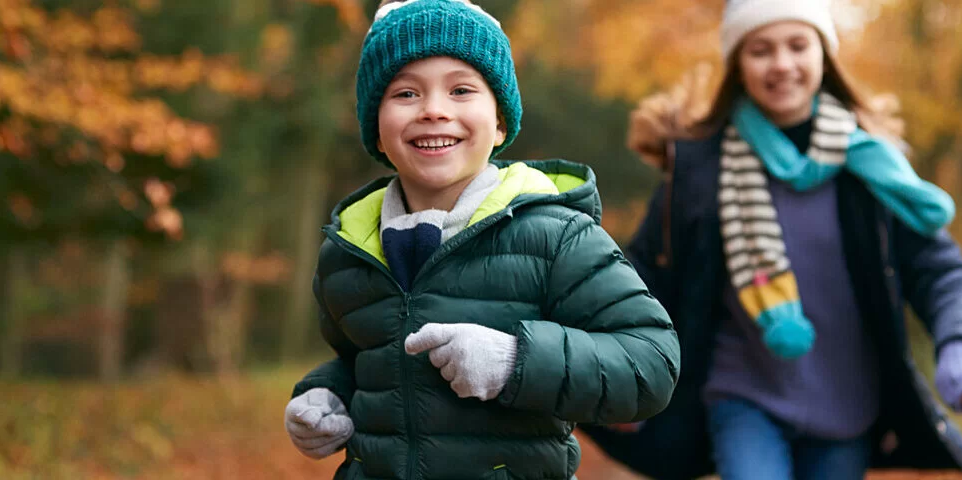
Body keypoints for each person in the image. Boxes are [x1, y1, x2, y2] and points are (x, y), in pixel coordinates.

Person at [580, 1, 962, 479]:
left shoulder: (873, 167)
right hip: (741, 396)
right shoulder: (698, 171)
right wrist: (608, 367)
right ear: (738, 64)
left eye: (798, 45)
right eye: (761, 50)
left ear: (824, 55)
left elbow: (942, 270)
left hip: (849, 406)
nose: (782, 64)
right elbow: (641, 282)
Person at [283, 1, 681, 478]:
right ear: (378, 130)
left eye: (461, 90)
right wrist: (324, 396)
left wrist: (516, 361)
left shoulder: (556, 235)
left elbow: (651, 364)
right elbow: (362, 361)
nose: (434, 110)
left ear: (499, 124)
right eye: (406, 93)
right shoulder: (347, 251)